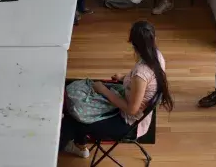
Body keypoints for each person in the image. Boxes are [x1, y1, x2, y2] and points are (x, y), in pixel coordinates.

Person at [59, 21, 174, 158]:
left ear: (133, 44)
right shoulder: (157, 56)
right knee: (83, 98)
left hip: (127, 123)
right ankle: (79, 144)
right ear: (153, 39)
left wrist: (104, 91)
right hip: (131, 106)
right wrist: (125, 78)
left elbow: (132, 109)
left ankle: (66, 149)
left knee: (73, 120)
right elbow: (143, 82)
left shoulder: (141, 73)